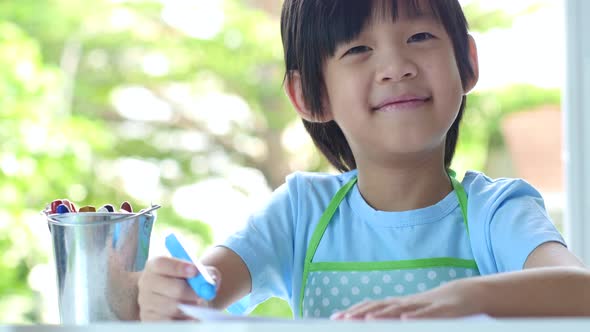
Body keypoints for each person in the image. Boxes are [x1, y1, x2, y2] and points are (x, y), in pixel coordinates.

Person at [135, 0, 590, 321]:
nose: (396, 65)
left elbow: (581, 291)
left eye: (420, 36)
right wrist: (172, 292)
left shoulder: (497, 211)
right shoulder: (299, 211)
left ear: (467, 63)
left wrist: (467, 301)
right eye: (358, 49)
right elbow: (205, 290)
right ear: (309, 94)